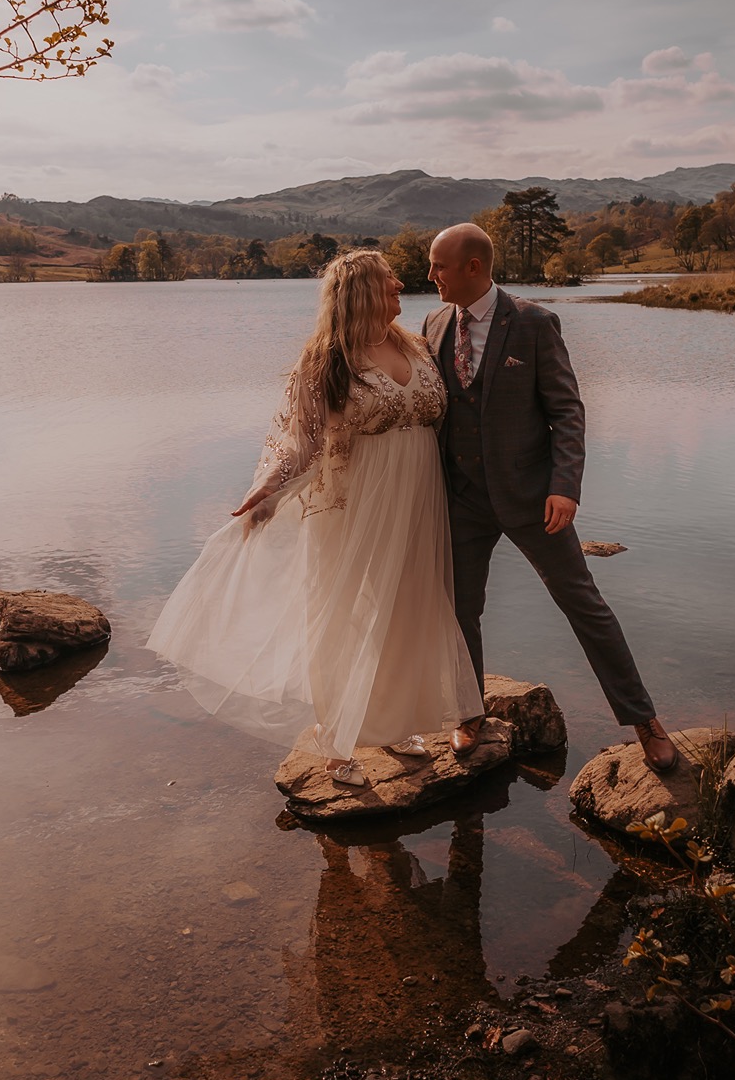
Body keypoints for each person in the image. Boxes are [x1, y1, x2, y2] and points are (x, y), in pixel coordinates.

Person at [148, 250, 483, 787]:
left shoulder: (415, 345)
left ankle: (396, 724)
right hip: (354, 503)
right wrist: (267, 487)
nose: (401, 283)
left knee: (407, 609)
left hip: (420, 500)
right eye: (388, 279)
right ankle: (336, 743)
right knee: (342, 614)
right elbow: (297, 439)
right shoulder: (325, 360)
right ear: (363, 291)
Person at [422, 223, 678, 774]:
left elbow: (567, 411)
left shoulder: (534, 323)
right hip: (461, 498)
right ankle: (469, 714)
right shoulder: (434, 322)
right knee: (462, 610)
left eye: (439, 265)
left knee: (583, 604)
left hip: (534, 498)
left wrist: (565, 486)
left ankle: (644, 720)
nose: (430, 276)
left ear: (473, 266)